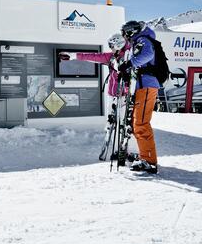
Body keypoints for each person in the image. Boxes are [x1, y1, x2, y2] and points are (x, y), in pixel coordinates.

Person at [117, 20, 159, 174]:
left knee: (141, 123)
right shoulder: (140, 40)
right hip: (143, 86)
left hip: (146, 85)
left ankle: (149, 161)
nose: (125, 37)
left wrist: (129, 64)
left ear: (131, 31)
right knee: (137, 123)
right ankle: (145, 157)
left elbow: (147, 55)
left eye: (125, 33)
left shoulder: (143, 40)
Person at [59, 33, 129, 101]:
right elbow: (93, 57)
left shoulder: (128, 59)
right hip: (112, 96)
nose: (110, 48)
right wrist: (73, 56)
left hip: (123, 98)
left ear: (118, 45)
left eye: (111, 46)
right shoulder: (111, 57)